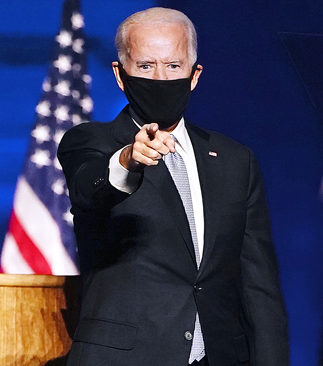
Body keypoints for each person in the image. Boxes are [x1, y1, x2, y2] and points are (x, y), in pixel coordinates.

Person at [58, 7, 288, 366]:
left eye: (174, 66)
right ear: (121, 75)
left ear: (194, 75)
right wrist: (128, 160)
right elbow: (89, 189)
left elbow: (260, 286)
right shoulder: (89, 141)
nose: (161, 78)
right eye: (146, 66)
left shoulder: (234, 160)